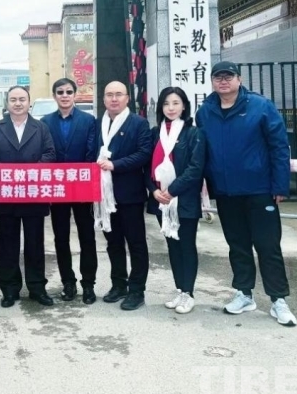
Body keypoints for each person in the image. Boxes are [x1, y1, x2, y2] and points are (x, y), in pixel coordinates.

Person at [195, 61, 297, 327]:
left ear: (239, 79)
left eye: (228, 76)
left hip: (260, 190)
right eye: (218, 77)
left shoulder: (260, 106)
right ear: (212, 81)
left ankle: (278, 299)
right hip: (226, 192)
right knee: (237, 245)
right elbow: (202, 152)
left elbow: (279, 146)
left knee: (267, 245)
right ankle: (244, 293)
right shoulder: (205, 112)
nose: (223, 81)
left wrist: (280, 185)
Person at [0, 85, 56, 308]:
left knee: (35, 244)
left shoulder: (40, 127)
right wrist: (10, 175)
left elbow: (50, 154)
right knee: (8, 244)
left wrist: (29, 174)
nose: (17, 103)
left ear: (29, 102)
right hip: (7, 195)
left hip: (33, 194)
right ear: (7, 103)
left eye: (22, 99)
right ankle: (9, 289)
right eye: (13, 99)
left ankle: (37, 288)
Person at [145, 87, 207, 315]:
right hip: (161, 200)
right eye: (166, 104)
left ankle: (188, 293)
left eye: (175, 103)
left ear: (184, 106)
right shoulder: (155, 133)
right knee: (172, 245)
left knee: (186, 245)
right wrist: (154, 190)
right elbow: (146, 166)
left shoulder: (193, 133)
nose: (170, 108)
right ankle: (180, 289)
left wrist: (171, 191)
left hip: (184, 199)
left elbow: (195, 168)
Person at [40, 78, 98, 304]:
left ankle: (88, 284)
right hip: (57, 189)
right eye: (60, 92)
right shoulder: (45, 122)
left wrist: (82, 177)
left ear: (75, 94)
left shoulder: (88, 120)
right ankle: (68, 282)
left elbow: (91, 152)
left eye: (68, 92)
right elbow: (45, 152)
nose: (64, 96)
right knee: (61, 237)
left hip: (82, 186)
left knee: (87, 236)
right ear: (54, 95)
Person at [96, 81, 153, 311]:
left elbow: (144, 153)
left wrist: (115, 165)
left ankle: (137, 290)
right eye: (109, 95)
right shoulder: (98, 124)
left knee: (136, 243)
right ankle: (118, 284)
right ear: (103, 99)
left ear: (127, 98)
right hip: (103, 195)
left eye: (118, 94)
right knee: (113, 243)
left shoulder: (138, 123)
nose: (114, 99)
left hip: (130, 194)